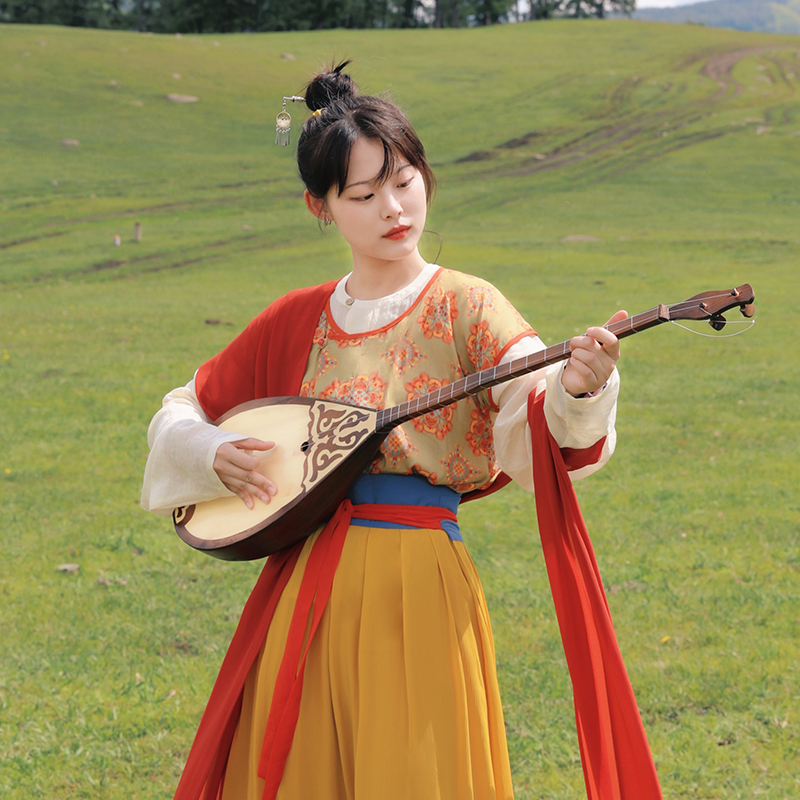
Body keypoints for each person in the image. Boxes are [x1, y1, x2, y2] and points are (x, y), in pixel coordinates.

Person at [142, 63, 661, 800]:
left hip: (419, 590)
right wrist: (211, 451)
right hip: (304, 591)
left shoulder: (469, 307)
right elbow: (180, 408)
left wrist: (580, 386)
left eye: (406, 180)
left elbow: (537, 420)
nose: (393, 206)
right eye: (364, 193)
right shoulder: (297, 319)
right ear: (321, 207)